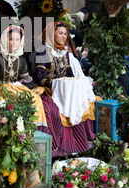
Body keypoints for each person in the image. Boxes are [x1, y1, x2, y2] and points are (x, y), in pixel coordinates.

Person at [34, 21, 96, 156]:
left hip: (66, 92)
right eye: (60, 33)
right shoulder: (42, 51)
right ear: (52, 34)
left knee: (85, 104)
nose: (63, 36)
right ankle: (59, 147)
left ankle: (80, 145)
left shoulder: (65, 53)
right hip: (49, 91)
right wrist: (55, 83)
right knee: (54, 112)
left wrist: (70, 84)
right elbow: (40, 77)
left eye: (65, 33)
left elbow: (71, 75)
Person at [0, 25, 47, 129]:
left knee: (36, 98)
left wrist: (25, 86)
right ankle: (17, 129)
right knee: (14, 103)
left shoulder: (21, 59)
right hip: (2, 88)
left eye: (17, 39)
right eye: (11, 39)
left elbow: (27, 80)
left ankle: (34, 130)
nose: (15, 42)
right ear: (5, 40)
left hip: (15, 88)